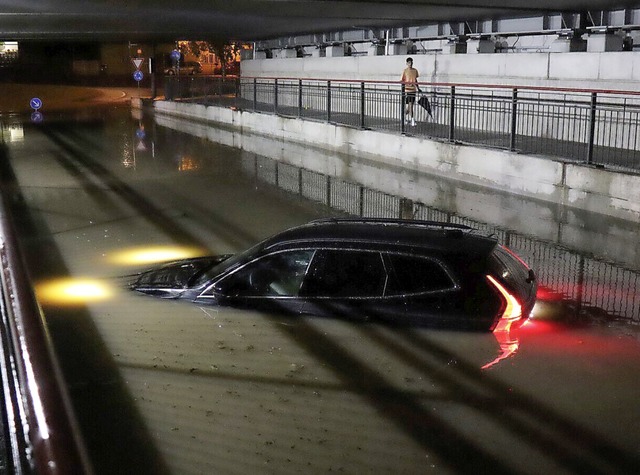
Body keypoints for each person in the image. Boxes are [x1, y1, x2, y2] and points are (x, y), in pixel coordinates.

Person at [401, 57, 419, 126]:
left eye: (411, 62)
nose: (410, 64)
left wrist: (418, 87)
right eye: (409, 63)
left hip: (414, 90)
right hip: (408, 90)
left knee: (409, 108)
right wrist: (407, 84)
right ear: (407, 63)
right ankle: (412, 120)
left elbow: (415, 80)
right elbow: (402, 80)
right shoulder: (405, 71)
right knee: (411, 105)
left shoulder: (415, 71)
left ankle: (403, 117)